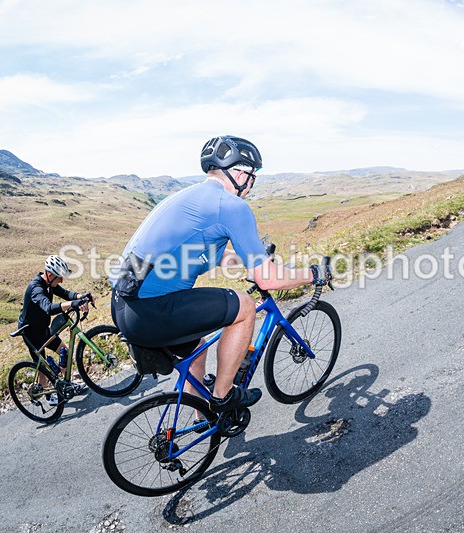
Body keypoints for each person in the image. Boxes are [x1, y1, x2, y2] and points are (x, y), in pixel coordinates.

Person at [110, 135, 331, 415]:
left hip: (124, 305)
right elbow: (268, 281)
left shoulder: (186, 197)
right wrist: (313, 274)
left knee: (196, 348)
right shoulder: (231, 206)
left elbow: (203, 254)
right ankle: (224, 398)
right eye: (253, 176)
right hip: (151, 310)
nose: (251, 185)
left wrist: (255, 259)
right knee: (245, 307)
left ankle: (200, 415)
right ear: (239, 173)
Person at [17, 255, 90, 404]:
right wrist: (72, 304)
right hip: (30, 332)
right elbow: (49, 309)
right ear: (50, 275)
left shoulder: (50, 284)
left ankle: (67, 385)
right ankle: (48, 397)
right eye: (59, 277)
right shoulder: (36, 289)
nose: (61, 280)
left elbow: (65, 294)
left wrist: (82, 297)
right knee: (42, 366)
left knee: (65, 351)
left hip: (43, 329)